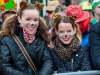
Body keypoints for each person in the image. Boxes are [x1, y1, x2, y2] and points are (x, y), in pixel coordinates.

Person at [0, 1, 53, 75]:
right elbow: (4, 66)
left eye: (35, 20)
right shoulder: (7, 39)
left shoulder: (41, 38)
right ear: (19, 19)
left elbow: (48, 62)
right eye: (28, 19)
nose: (32, 23)